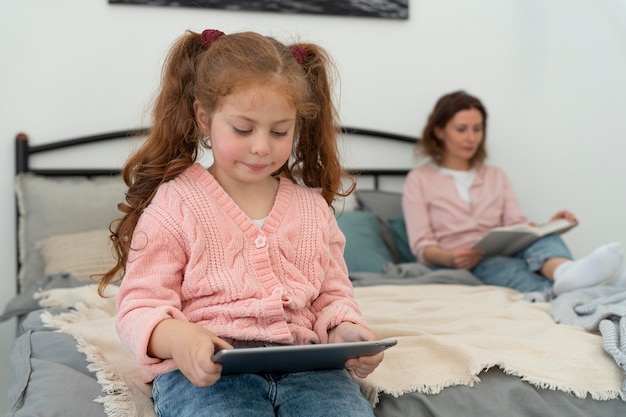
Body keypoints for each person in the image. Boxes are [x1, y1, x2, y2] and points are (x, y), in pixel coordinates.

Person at [98, 29, 383, 417]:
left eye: (280, 131)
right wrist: (180, 339)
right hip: (209, 373)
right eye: (244, 129)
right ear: (204, 117)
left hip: (309, 367)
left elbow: (332, 297)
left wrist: (346, 332)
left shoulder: (312, 209)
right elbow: (140, 306)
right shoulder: (175, 203)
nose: (261, 146)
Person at [402, 90, 624, 294]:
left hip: (507, 248)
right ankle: (598, 286)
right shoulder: (419, 180)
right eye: (462, 129)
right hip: (471, 261)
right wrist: (451, 259)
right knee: (508, 269)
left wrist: (546, 227)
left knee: (545, 239)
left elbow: (515, 222)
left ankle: (565, 272)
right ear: (439, 131)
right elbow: (422, 245)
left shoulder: (496, 176)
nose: (471, 138)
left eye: (477, 129)